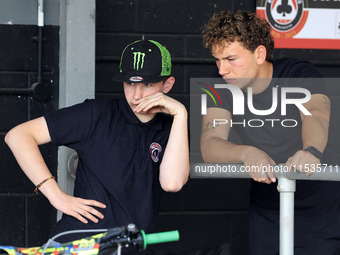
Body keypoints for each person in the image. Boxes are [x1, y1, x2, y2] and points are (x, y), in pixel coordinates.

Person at [5, 40, 189, 252]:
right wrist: (56, 195)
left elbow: (172, 183)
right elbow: (18, 135)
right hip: (77, 243)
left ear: (167, 84)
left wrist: (181, 114)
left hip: (129, 247)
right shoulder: (96, 114)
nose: (137, 95)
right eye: (130, 84)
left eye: (147, 85)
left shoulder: (173, 128)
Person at [200, 10, 340, 254]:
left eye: (231, 59)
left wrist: (310, 150)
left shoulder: (297, 73)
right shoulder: (220, 83)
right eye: (217, 60)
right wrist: (247, 153)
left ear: (260, 54)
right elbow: (210, 142)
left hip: (319, 207)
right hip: (267, 209)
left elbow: (316, 115)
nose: (222, 69)